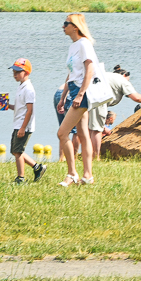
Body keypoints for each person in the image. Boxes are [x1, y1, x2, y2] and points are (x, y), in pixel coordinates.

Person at [56, 13, 99, 186]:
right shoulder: (74, 46)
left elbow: (90, 69)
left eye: (66, 23)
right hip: (74, 89)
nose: (63, 26)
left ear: (75, 27)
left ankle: (72, 173)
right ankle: (87, 176)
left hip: (82, 92)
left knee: (62, 133)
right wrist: (63, 95)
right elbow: (72, 74)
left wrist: (81, 93)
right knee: (82, 134)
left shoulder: (84, 44)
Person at [86, 63, 141, 153]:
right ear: (125, 75)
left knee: (88, 129)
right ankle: (95, 156)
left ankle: (85, 154)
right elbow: (136, 97)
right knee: (97, 130)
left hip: (86, 98)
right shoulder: (122, 80)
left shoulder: (108, 75)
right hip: (98, 102)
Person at [8, 58, 46, 183]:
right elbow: (21, 108)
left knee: (17, 152)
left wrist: (23, 128)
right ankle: (37, 167)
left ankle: (21, 177)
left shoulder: (29, 89)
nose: (15, 74)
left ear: (26, 72)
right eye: (14, 72)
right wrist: (9, 106)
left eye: (18, 72)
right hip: (18, 123)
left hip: (24, 125)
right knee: (15, 151)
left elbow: (30, 110)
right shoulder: (21, 87)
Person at [54, 86, 81, 160]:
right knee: (77, 130)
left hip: (59, 92)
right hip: (70, 94)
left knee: (63, 129)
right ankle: (74, 157)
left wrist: (62, 98)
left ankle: (61, 158)